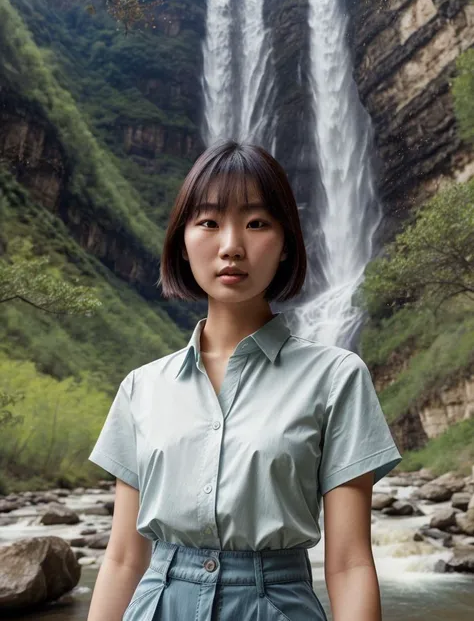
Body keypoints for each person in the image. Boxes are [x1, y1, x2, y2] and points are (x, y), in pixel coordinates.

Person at [87, 140, 402, 621]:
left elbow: (349, 563)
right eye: (209, 223)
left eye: (256, 223)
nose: (231, 245)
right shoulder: (141, 388)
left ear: (285, 244)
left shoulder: (337, 378)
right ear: (182, 240)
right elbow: (124, 558)